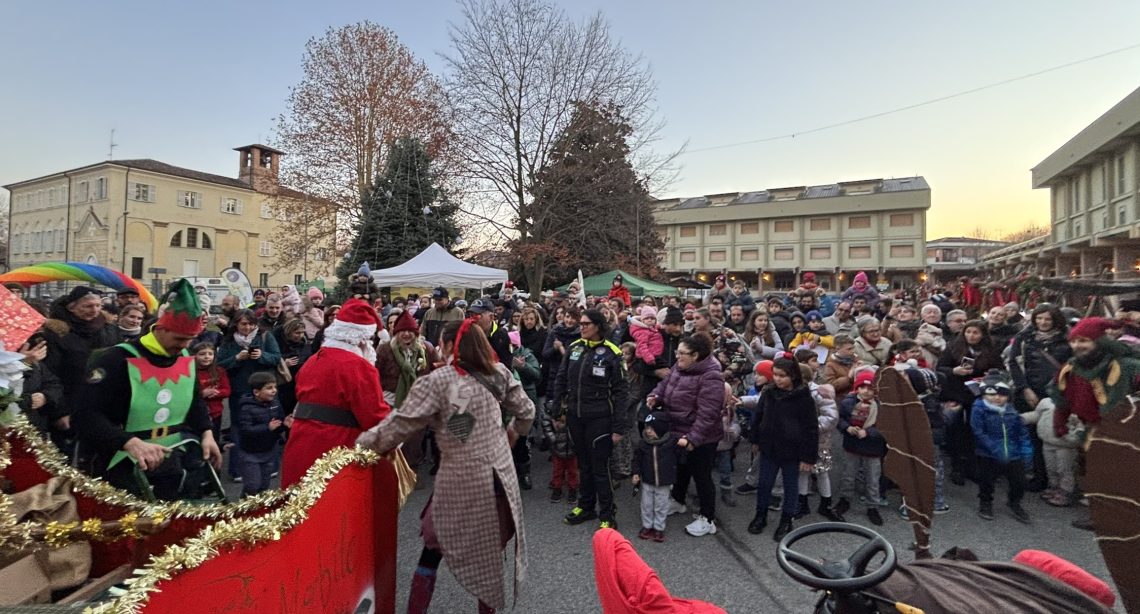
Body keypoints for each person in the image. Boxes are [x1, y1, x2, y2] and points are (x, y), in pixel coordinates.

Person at [357, 318, 534, 614]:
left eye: (441, 342)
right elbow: (527, 410)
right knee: (487, 559)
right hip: (498, 479)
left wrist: (361, 444)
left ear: (451, 345)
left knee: (431, 553)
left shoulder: (439, 380)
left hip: (461, 483)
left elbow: (401, 424)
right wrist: (513, 434)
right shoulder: (500, 372)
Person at [72, 279, 222, 500]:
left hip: (169, 459)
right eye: (179, 339)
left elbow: (194, 401)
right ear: (159, 328)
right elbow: (85, 415)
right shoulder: (115, 359)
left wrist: (206, 432)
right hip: (119, 463)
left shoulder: (183, 358)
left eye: (190, 340)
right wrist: (128, 442)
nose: (184, 346)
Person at [280, 299, 392, 489]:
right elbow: (374, 416)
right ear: (362, 340)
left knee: (300, 509)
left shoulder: (312, 361)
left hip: (301, 444)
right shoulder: (359, 367)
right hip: (337, 449)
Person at [551, 309, 629, 530]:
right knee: (583, 465)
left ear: (597, 326)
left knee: (599, 467)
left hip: (600, 418)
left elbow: (622, 392)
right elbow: (561, 379)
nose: (581, 327)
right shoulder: (575, 348)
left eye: (586, 324)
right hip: (576, 417)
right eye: (580, 324)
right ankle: (586, 507)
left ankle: (607, 513)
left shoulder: (612, 352)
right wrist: (557, 408)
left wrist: (618, 427)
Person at [645, 333, 725, 537]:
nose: (677, 357)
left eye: (682, 353)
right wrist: (655, 396)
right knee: (680, 469)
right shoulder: (680, 367)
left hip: (702, 436)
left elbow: (708, 413)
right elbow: (665, 385)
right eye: (677, 352)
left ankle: (708, 518)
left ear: (696, 355)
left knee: (701, 476)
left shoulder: (711, 375)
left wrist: (694, 438)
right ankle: (678, 501)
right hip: (677, 429)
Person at [746, 357, 819, 540]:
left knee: (790, 486)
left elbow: (811, 428)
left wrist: (808, 457)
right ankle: (760, 515)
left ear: (793, 376)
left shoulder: (803, 397)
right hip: (769, 447)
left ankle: (786, 520)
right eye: (775, 375)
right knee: (764, 483)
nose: (777, 379)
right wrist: (755, 439)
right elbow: (759, 416)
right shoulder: (769, 392)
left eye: (782, 376)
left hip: (792, 450)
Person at [1007, 303, 1071, 490]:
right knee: (1032, 436)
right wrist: (1024, 388)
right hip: (1029, 392)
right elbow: (1014, 363)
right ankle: (1038, 476)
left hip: (1057, 393)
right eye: (1039, 318)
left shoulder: (1067, 339)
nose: (1043, 322)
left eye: (1048, 319)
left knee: (1053, 435)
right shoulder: (1024, 337)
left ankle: (1059, 482)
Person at [217, 308, 282, 481]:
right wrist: (236, 359)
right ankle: (238, 469)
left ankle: (270, 465)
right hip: (240, 390)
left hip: (264, 390)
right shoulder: (229, 341)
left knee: (269, 426)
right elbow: (219, 365)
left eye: (251, 324)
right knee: (240, 427)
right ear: (236, 324)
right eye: (244, 324)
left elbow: (276, 357)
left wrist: (262, 355)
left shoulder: (265, 336)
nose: (247, 328)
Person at [41, 286, 122, 407]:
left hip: (104, 400)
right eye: (88, 306)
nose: (94, 310)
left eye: (98, 305)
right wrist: (60, 411)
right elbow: (50, 373)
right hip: (70, 400)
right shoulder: (57, 333)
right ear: (71, 307)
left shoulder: (110, 329)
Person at [971, 374, 1032, 523]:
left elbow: (1021, 431)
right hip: (988, 453)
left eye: (1002, 394)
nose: (997, 398)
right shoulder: (979, 409)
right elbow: (978, 431)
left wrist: (1026, 450)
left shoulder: (1011, 411)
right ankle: (985, 502)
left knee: (1019, 481)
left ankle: (1014, 502)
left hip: (1013, 452)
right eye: (992, 394)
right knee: (987, 480)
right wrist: (993, 447)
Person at [834, 370, 887, 526]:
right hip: (852, 445)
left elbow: (885, 426)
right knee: (848, 475)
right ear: (857, 388)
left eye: (870, 388)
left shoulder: (880, 405)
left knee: (872, 479)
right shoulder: (848, 402)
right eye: (862, 387)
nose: (866, 391)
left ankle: (873, 506)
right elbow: (840, 419)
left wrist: (869, 432)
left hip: (873, 449)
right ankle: (845, 499)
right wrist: (847, 428)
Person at [631, 411, 679, 543]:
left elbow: (681, 456)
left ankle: (659, 527)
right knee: (646, 504)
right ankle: (647, 526)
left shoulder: (671, 443)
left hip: (664, 481)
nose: (648, 431)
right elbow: (636, 459)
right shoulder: (643, 444)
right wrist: (636, 473)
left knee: (661, 505)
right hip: (647, 480)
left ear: (661, 429)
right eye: (647, 428)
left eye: (652, 429)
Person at [237, 372, 286, 497]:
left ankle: (259, 509)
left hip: (268, 451)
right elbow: (245, 430)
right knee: (252, 484)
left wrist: (285, 423)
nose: (274, 391)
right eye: (269, 388)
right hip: (250, 453)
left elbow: (278, 423)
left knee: (265, 484)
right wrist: (267, 427)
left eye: (275, 387)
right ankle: (244, 507)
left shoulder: (275, 404)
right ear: (256, 392)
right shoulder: (246, 408)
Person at [542, 389, 578, 503]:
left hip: (572, 447)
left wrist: (577, 441)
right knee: (557, 470)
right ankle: (557, 488)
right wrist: (553, 439)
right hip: (557, 447)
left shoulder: (575, 407)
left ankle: (573, 489)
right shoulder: (552, 408)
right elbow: (546, 424)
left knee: (573, 470)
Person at [192, 341, 230, 445]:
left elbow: (227, 390)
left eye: (210, 354)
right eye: (202, 354)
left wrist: (214, 392)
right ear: (194, 355)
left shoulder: (219, 371)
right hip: (197, 414)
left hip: (215, 413)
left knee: (214, 439)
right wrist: (202, 393)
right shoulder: (191, 371)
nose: (206, 357)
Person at [277, 318, 313, 415]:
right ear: (289, 332)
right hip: (286, 384)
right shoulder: (280, 344)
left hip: (301, 382)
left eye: (302, 332)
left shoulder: (306, 345)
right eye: (297, 333)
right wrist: (284, 363)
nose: (300, 336)